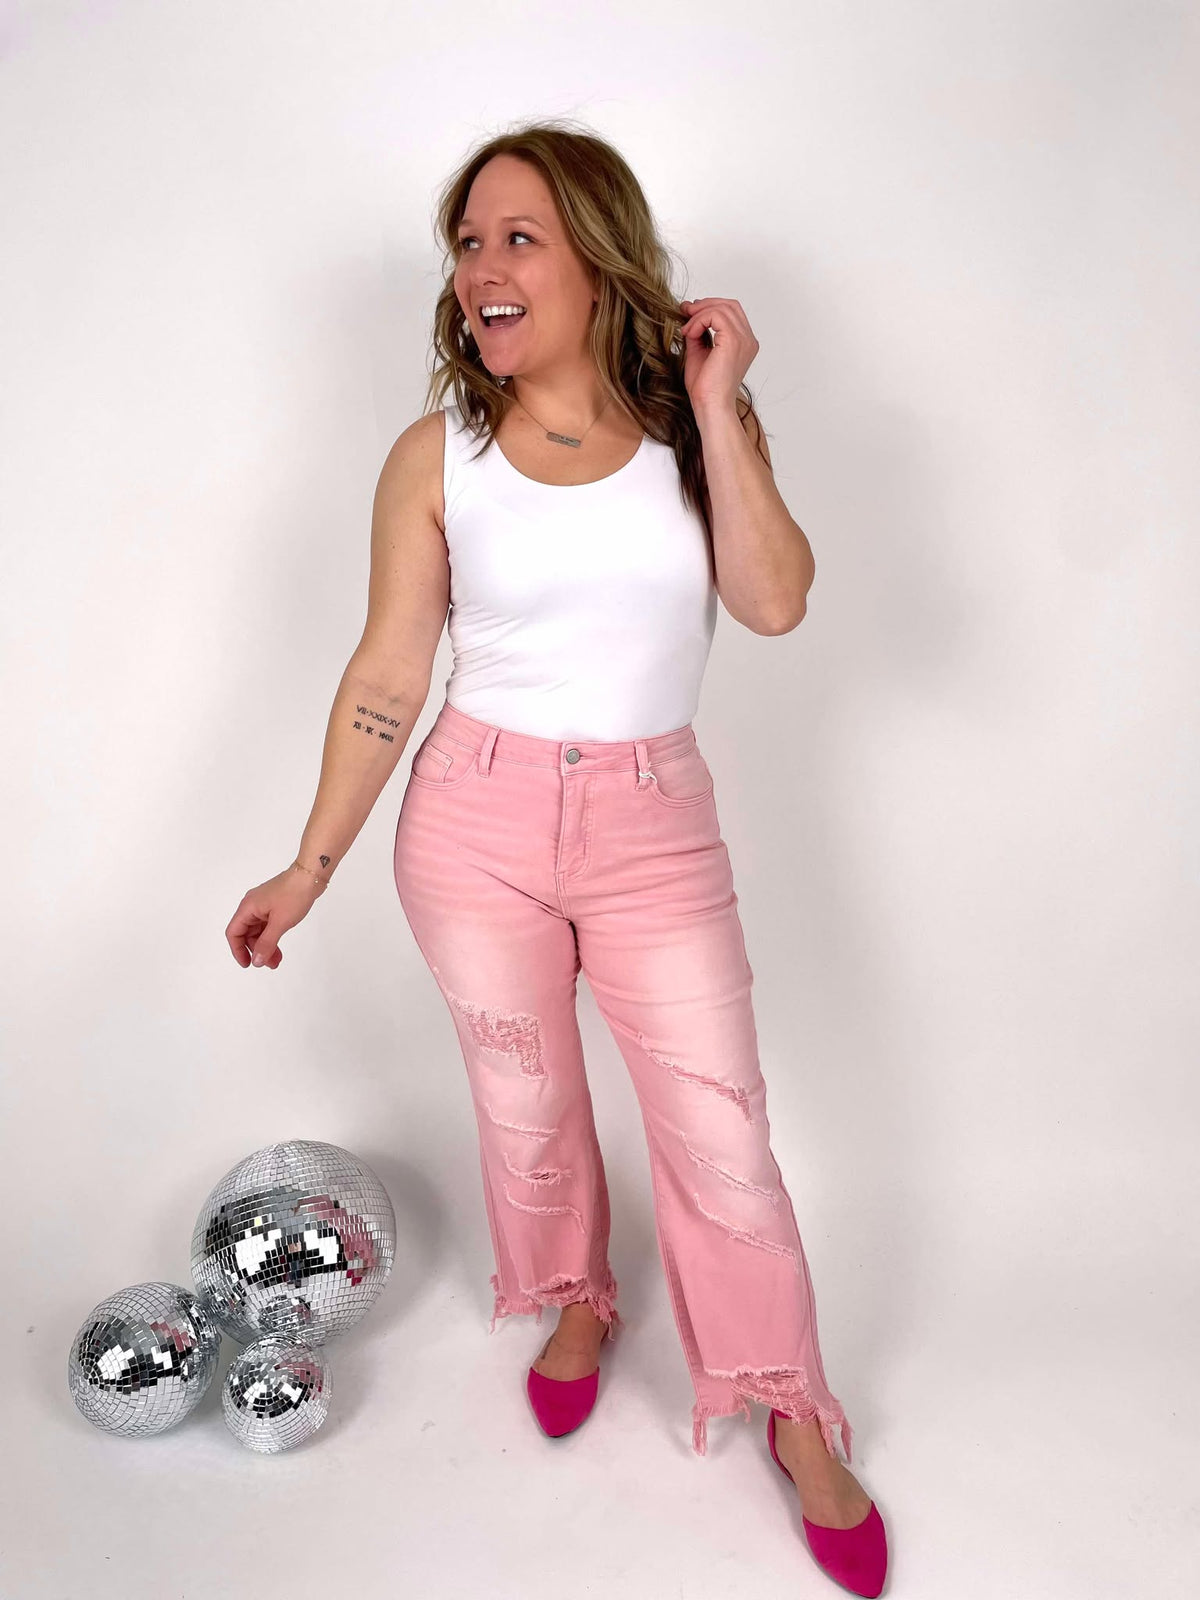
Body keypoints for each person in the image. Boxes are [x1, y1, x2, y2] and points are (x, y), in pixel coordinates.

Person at [225, 118, 889, 1597]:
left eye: (516, 237)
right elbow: (389, 670)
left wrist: (717, 403)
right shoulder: (437, 457)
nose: (483, 270)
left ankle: (790, 1403)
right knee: (527, 1107)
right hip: (474, 823)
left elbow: (775, 603)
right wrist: (310, 865)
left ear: (597, 258)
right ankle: (578, 1295)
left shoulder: (692, 435)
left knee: (721, 1133)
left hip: (655, 825)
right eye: (467, 244)